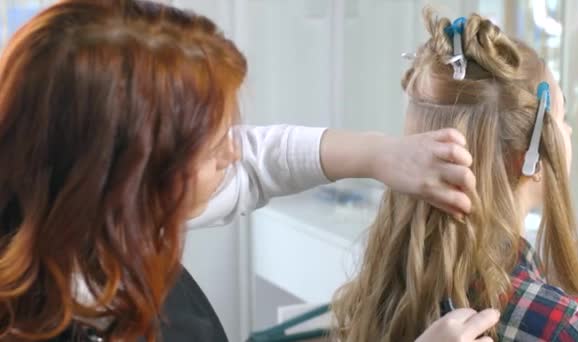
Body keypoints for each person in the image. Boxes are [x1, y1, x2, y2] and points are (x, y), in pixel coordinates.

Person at [0, 0, 497, 340]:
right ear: (135, 180)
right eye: (215, 146)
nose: (233, 154)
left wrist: (378, 154)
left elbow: (257, 160)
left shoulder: (60, 201)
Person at [332, 10, 578, 342]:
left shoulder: (381, 292)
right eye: (561, 118)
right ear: (530, 160)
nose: (569, 130)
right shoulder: (574, 329)